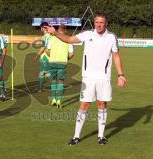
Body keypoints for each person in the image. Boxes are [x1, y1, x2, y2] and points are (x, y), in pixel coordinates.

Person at [46, 13, 127, 145]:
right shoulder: (88, 34)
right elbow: (69, 39)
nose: (99, 24)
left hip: (104, 78)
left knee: (102, 104)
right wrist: (55, 33)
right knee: (84, 105)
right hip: (88, 77)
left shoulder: (111, 37)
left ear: (106, 23)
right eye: (96, 22)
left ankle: (101, 136)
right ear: (94, 23)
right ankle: (76, 136)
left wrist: (120, 75)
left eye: (101, 22)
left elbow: (116, 56)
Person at [47, 24, 74, 109]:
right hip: (62, 62)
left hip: (52, 62)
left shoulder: (52, 38)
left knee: (53, 81)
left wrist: (52, 56)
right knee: (61, 81)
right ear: (65, 30)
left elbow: (47, 51)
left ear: (58, 30)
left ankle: (53, 99)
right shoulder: (68, 39)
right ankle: (59, 100)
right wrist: (66, 58)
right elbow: (71, 54)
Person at [33, 22, 51, 92]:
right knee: (44, 72)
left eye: (41, 28)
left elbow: (43, 47)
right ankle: (40, 87)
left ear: (43, 28)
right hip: (48, 56)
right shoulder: (50, 36)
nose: (41, 29)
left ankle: (40, 88)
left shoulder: (45, 36)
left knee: (43, 73)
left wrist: (37, 56)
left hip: (45, 57)